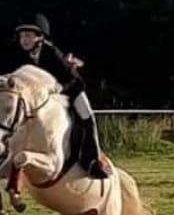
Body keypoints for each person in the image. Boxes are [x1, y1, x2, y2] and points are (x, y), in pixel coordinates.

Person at [12, 13, 111, 179]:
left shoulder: (51, 52)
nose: (24, 40)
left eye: (28, 36)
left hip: (71, 90)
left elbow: (71, 78)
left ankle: (93, 160)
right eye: (22, 36)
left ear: (40, 37)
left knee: (88, 118)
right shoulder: (23, 56)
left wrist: (58, 89)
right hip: (46, 98)